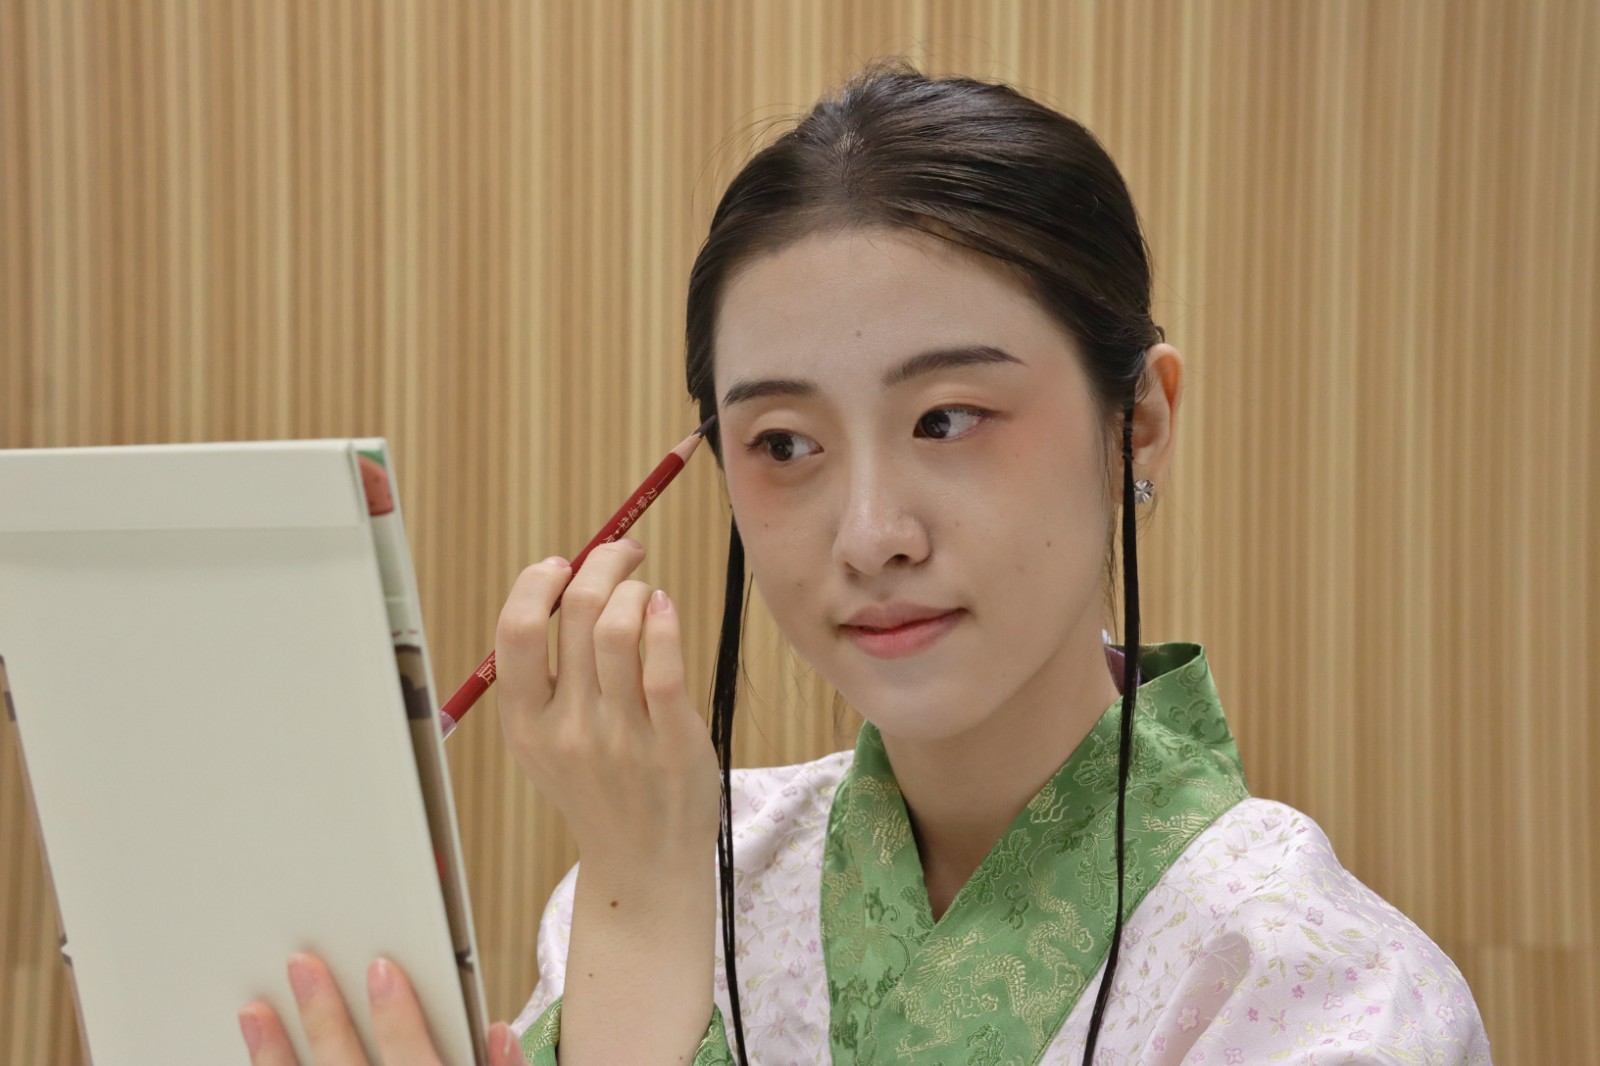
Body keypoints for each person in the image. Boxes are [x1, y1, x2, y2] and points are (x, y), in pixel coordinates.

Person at [237, 63, 1491, 1066]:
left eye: (947, 418)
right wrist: (640, 900)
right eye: (784, 443)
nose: (869, 531)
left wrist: (648, 912)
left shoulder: (1320, 988)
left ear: (1139, 420)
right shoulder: (668, 868)